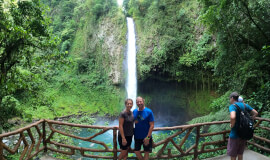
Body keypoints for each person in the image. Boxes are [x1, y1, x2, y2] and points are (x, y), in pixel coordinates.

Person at [227, 92, 258, 160]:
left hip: (234, 135)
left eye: (230, 99)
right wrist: (251, 118)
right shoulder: (244, 105)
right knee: (240, 153)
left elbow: (232, 117)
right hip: (243, 134)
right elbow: (255, 113)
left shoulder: (232, 106)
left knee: (233, 155)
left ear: (232, 98)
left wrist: (232, 125)